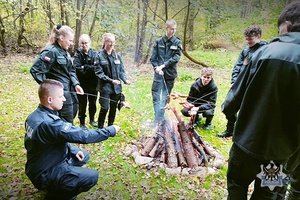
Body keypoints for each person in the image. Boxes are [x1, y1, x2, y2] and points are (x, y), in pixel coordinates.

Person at [222, 1, 300, 199]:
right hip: (277, 157)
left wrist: (228, 113)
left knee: (236, 187)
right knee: (266, 196)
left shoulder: (263, 53)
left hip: (244, 148)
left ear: (288, 26)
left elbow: (232, 101)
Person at [24, 79, 120, 199]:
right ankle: (57, 194)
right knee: (91, 176)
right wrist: (110, 130)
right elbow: (84, 135)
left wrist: (73, 150)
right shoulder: (50, 124)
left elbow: (52, 140)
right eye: (61, 96)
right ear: (50, 100)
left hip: (38, 165)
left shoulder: (34, 116)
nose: (64, 99)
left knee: (83, 155)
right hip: (45, 173)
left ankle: (61, 182)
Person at [217, 25, 267, 138]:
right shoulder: (245, 50)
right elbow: (238, 65)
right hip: (239, 84)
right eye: (246, 39)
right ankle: (230, 130)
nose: (248, 41)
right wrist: (234, 80)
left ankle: (245, 134)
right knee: (229, 106)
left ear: (259, 36)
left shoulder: (265, 50)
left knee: (249, 111)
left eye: (250, 39)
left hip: (254, 87)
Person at [30, 24, 84, 124]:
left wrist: (76, 84)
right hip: (59, 94)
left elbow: (71, 71)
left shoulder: (65, 53)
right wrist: (50, 89)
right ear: (61, 38)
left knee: (71, 115)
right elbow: (36, 70)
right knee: (64, 121)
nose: (72, 43)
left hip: (69, 91)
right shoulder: (51, 51)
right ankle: (63, 139)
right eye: (70, 40)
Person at [95, 33, 130, 128]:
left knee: (113, 108)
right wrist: (111, 81)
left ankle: (110, 127)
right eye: (110, 41)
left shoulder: (117, 56)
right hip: (105, 87)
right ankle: (100, 128)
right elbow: (99, 73)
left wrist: (125, 80)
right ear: (105, 42)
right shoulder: (99, 56)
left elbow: (121, 71)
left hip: (116, 88)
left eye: (113, 42)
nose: (112, 44)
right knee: (104, 108)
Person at [150, 19, 182, 123]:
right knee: (155, 94)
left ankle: (160, 117)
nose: (173, 31)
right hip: (158, 74)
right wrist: (156, 68)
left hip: (170, 74)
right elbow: (153, 59)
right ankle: (157, 117)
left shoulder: (177, 42)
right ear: (166, 28)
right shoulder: (159, 41)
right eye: (171, 29)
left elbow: (176, 58)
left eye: (174, 29)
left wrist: (163, 66)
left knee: (165, 96)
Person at [74, 34, 98, 130]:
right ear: (80, 44)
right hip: (82, 84)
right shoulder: (77, 55)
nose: (84, 45)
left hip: (93, 84)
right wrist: (89, 69)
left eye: (86, 43)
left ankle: (92, 120)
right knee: (82, 104)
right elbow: (78, 69)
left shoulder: (95, 54)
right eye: (82, 43)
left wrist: (86, 67)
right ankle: (82, 123)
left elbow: (97, 68)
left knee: (93, 103)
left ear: (90, 43)